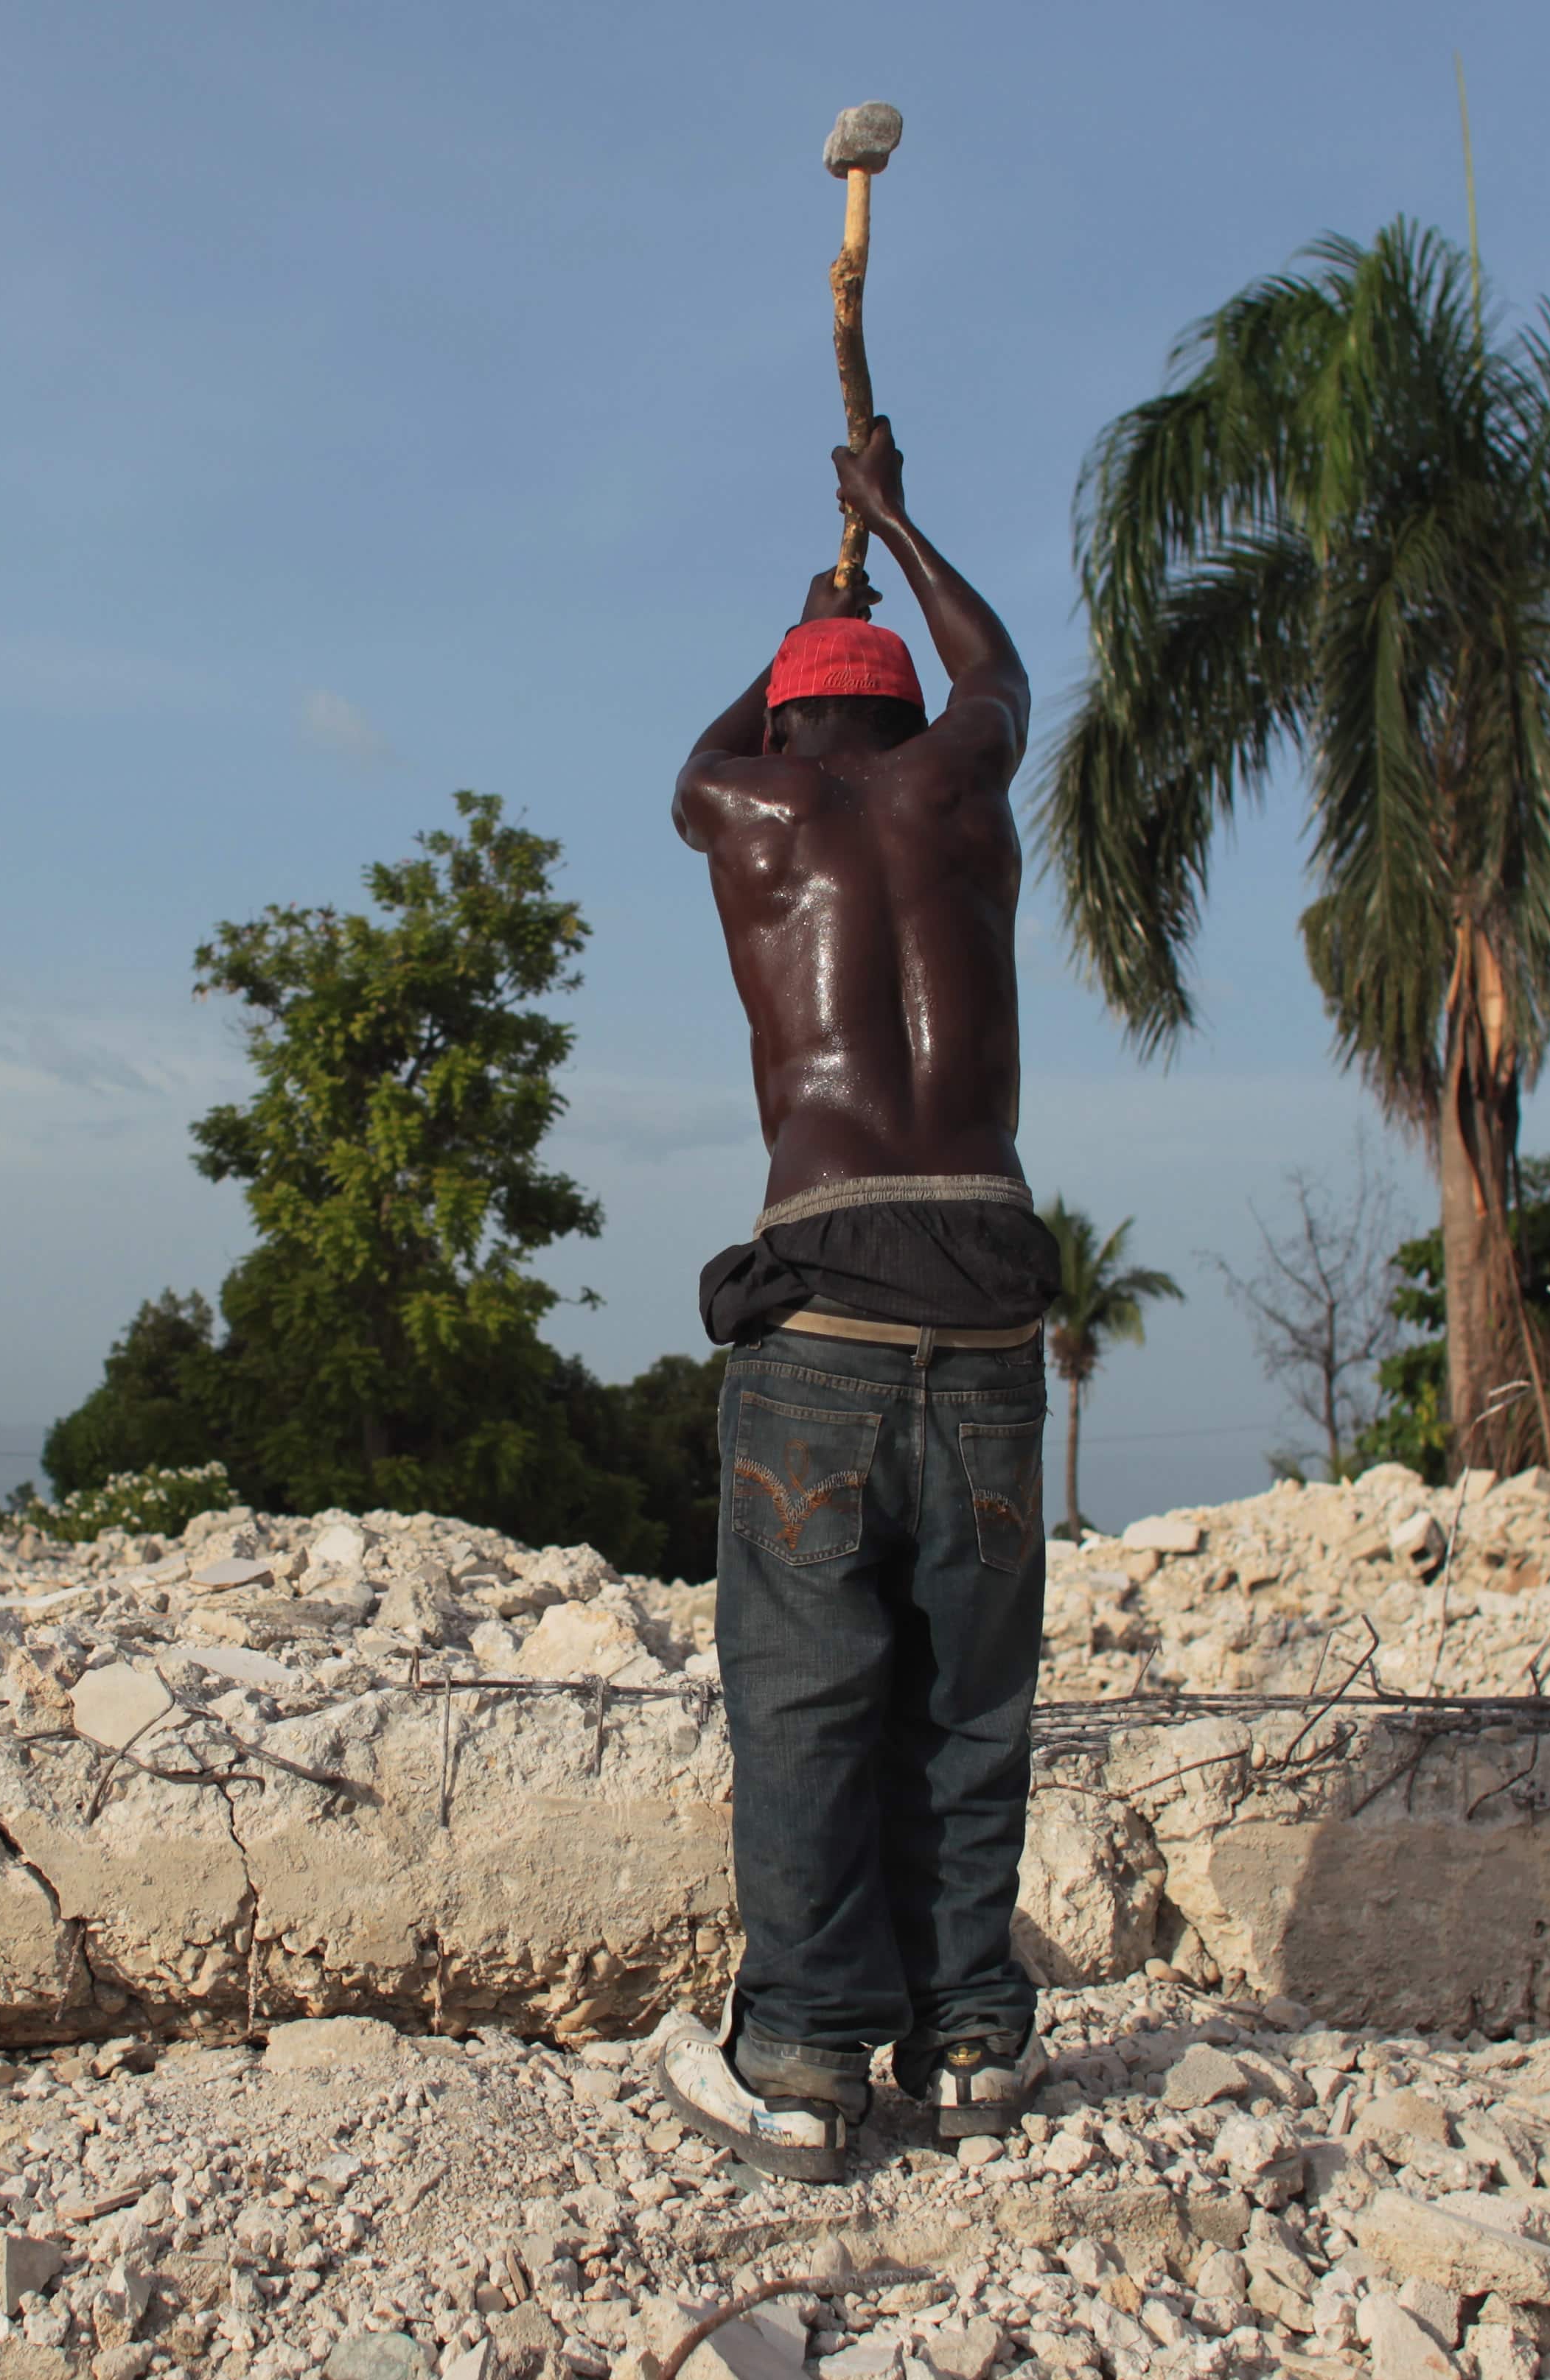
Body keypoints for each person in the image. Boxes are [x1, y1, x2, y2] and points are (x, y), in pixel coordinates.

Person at [655, 416, 1058, 2182]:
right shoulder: (966, 782)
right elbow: (1004, 667)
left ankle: (808, 2062)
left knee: (807, 1696)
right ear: (903, 718)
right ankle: (970, 2040)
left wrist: (805, 603)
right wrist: (894, 527)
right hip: (983, 1297)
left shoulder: (749, 804)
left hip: (824, 1300)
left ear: (797, 721)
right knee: (969, 1696)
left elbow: (706, 747)